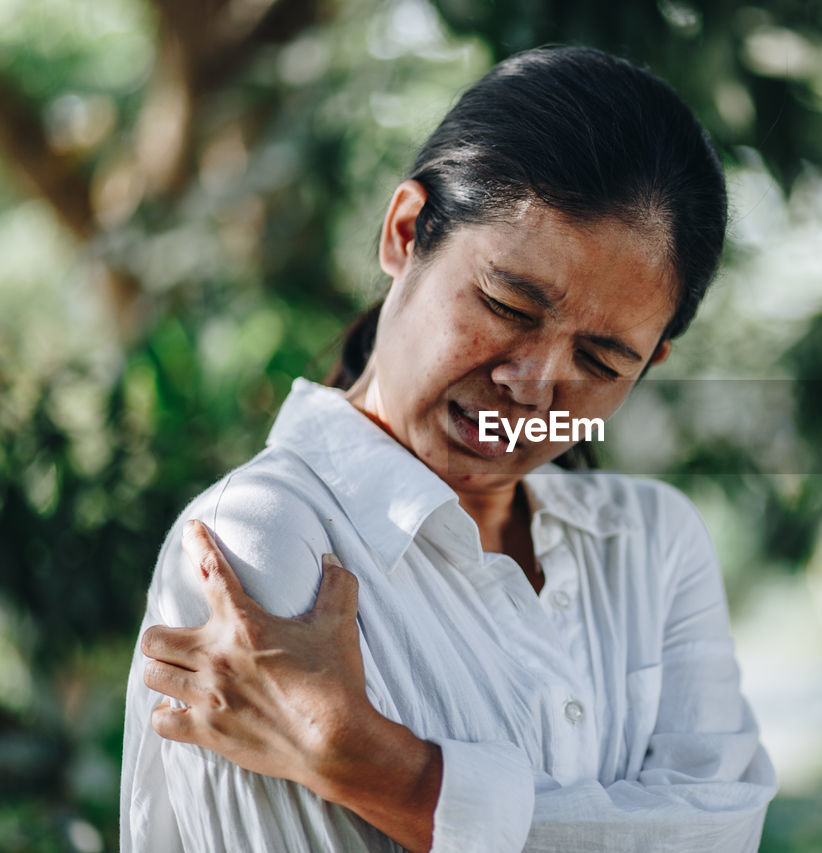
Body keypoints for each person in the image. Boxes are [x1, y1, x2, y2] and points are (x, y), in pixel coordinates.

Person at [121, 45, 777, 852]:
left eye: (602, 361)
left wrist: (390, 773)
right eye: (507, 303)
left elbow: (723, 835)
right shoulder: (260, 541)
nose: (534, 385)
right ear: (404, 232)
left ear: (650, 366)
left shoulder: (652, 543)